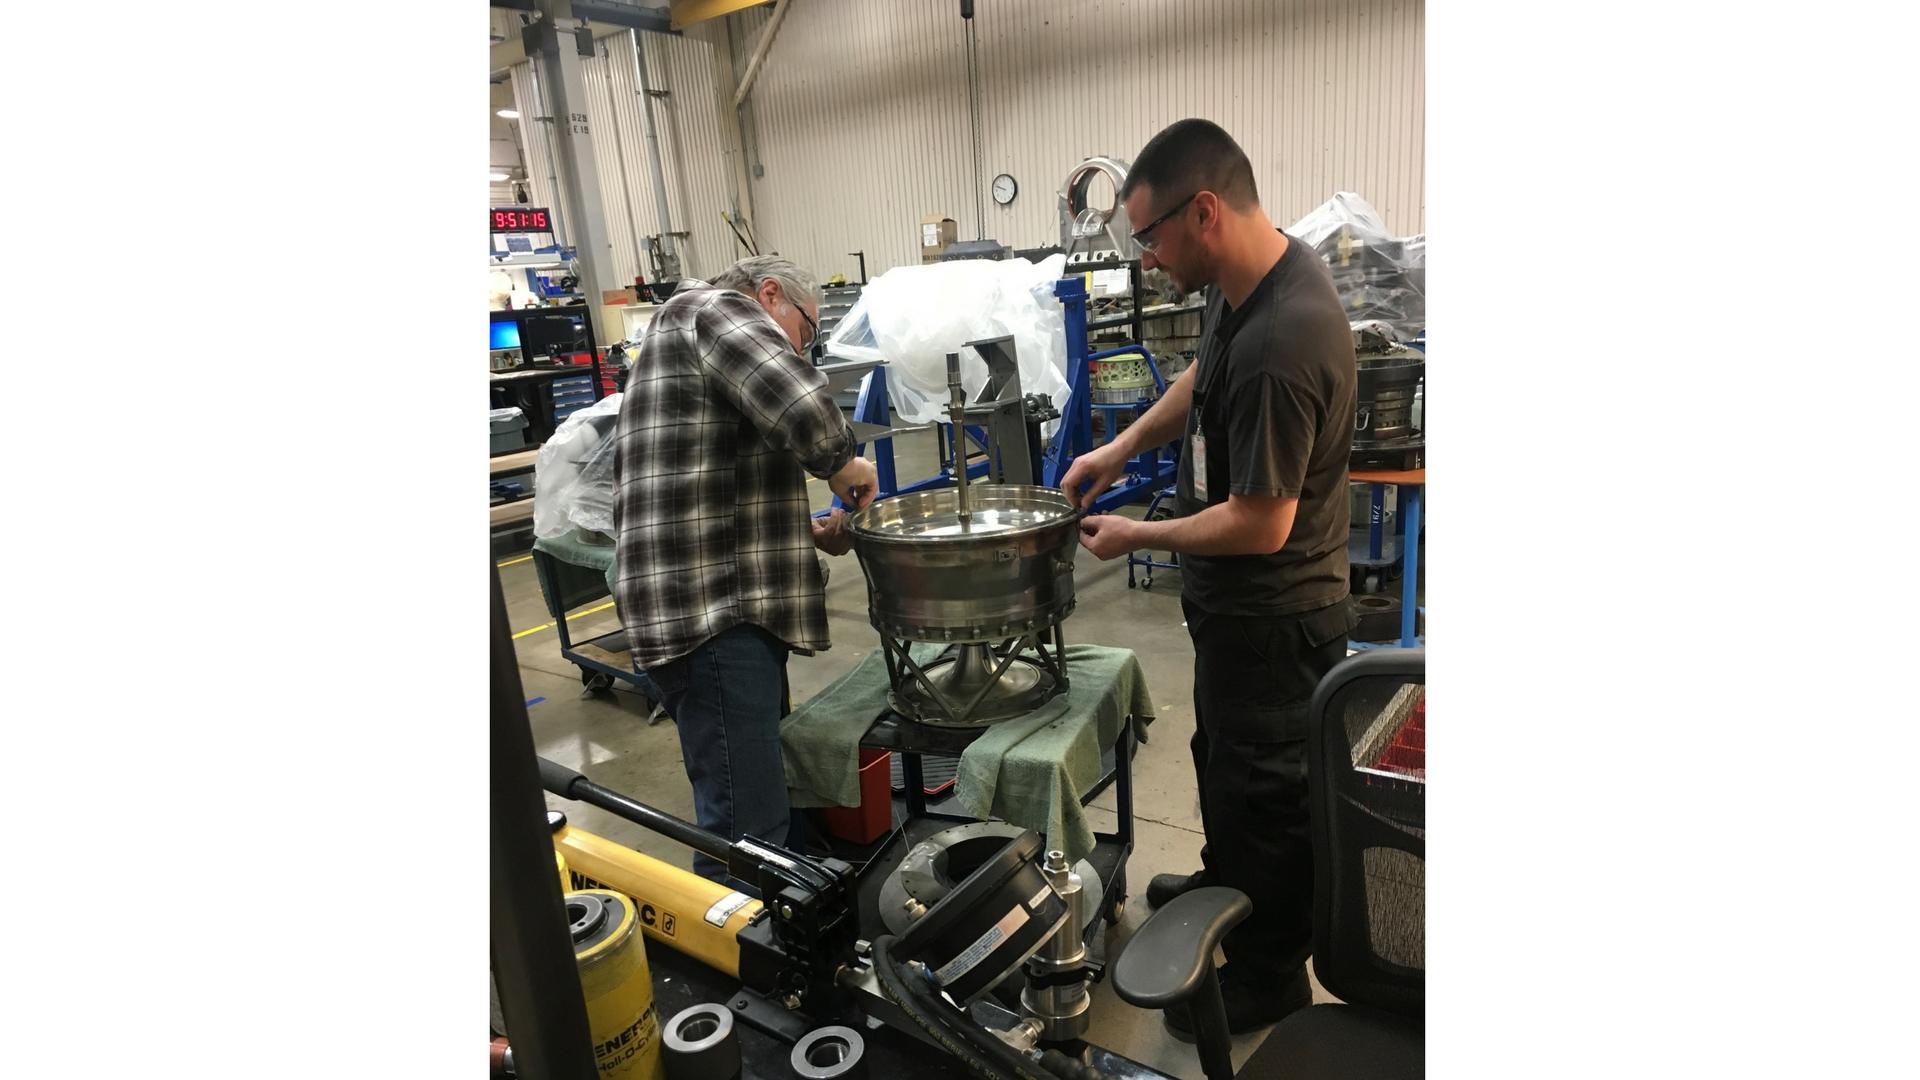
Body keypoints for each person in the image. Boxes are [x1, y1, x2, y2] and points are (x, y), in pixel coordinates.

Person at [1060, 119, 1358, 1039]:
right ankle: (1228, 884)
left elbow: (1262, 524)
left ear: (1204, 212)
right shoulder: (1248, 283)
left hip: (1277, 620)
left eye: (1150, 238)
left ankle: (1271, 972)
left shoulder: (1284, 337)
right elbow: (1200, 375)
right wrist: (1118, 447)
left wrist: (1139, 537)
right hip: (1236, 617)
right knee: (1226, 768)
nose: (1146, 260)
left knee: (1267, 794)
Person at [612, 255, 877, 886]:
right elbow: (802, 406)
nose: (801, 351)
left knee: (757, 803)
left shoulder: (687, 337)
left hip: (719, 608)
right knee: (746, 834)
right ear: (770, 295)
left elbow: (709, 488)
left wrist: (805, 533)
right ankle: (744, 939)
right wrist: (845, 463)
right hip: (712, 618)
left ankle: (780, 916)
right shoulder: (712, 309)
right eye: (806, 332)